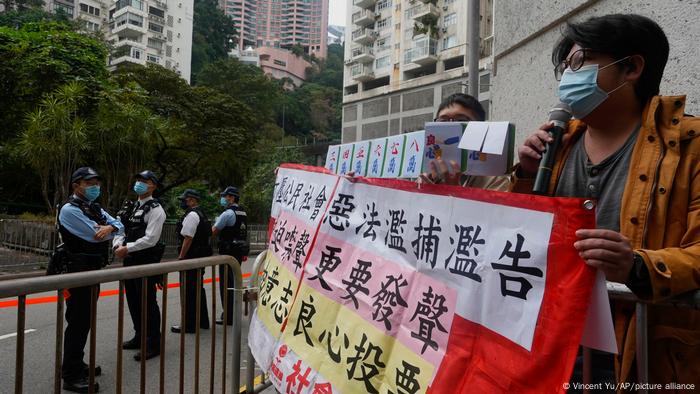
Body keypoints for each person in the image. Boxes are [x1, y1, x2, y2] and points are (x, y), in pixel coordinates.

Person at [512, 14, 700, 387]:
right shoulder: (558, 146)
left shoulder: (690, 146)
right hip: (556, 341)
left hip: (642, 352)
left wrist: (637, 266)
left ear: (631, 67)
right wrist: (527, 176)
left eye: (580, 63)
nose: (568, 77)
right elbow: (520, 240)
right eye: (565, 67)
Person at [58, 167, 124, 393]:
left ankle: (77, 363)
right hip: (78, 273)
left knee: (84, 321)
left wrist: (111, 227)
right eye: (89, 183)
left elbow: (119, 227)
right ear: (76, 186)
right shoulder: (69, 209)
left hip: (92, 271)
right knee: (77, 322)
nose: (95, 186)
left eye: (96, 182)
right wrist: (110, 228)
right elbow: (93, 235)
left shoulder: (93, 206)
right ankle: (70, 375)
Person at [113, 170, 166, 361]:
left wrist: (128, 248)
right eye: (138, 180)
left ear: (153, 185)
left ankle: (153, 343)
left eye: (144, 181)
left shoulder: (156, 209)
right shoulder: (131, 206)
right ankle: (139, 336)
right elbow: (119, 228)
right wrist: (118, 245)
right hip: (129, 260)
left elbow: (151, 239)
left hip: (145, 262)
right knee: (133, 301)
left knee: (147, 303)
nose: (140, 183)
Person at [418, 93, 510, 191]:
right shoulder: (426, 175)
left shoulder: (496, 179)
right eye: (443, 121)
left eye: (461, 120)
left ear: (481, 128)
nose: (451, 127)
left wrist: (455, 193)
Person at [171, 189, 211, 333]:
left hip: (191, 256)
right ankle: (202, 321)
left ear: (193, 200)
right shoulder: (201, 213)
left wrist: (181, 256)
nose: (183, 202)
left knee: (188, 290)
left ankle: (189, 324)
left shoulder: (192, 215)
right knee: (197, 288)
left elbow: (188, 237)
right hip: (200, 255)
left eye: (185, 200)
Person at [212, 186, 249, 325]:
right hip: (238, 252)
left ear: (232, 197)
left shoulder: (227, 214)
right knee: (234, 283)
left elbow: (214, 230)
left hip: (227, 253)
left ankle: (228, 316)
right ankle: (232, 314)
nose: (223, 198)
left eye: (225, 196)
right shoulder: (242, 212)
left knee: (226, 285)